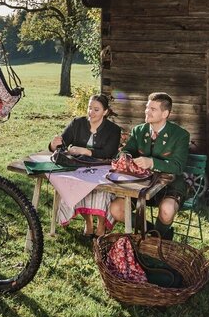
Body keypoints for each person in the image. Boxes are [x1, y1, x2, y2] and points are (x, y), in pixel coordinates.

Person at [109, 92, 190, 241]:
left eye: (153, 109)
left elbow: (178, 166)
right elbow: (127, 150)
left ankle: (156, 241)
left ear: (165, 113)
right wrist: (124, 156)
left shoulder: (180, 135)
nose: (147, 111)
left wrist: (152, 162)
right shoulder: (139, 131)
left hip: (169, 184)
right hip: (140, 184)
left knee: (167, 210)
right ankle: (153, 233)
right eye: (147, 107)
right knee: (116, 209)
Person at [48, 94, 122, 237]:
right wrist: (52, 145)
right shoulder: (77, 123)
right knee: (75, 186)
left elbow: (109, 152)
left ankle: (101, 225)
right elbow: (61, 145)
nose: (91, 112)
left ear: (105, 112)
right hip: (78, 167)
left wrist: (86, 151)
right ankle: (88, 222)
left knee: (102, 191)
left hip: (102, 168)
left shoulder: (113, 130)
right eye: (89, 108)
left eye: (96, 109)